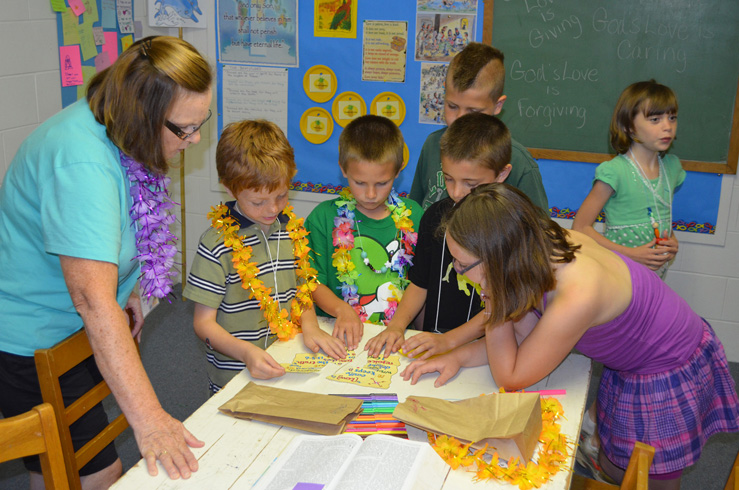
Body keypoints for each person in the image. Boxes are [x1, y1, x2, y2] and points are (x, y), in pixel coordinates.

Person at [402, 183, 739, 490]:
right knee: (613, 460)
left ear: (499, 257)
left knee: (643, 477)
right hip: (635, 357)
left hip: (666, 367)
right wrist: (457, 355)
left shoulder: (577, 293)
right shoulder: (537, 246)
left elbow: (512, 375)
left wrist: (495, 299)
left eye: (463, 266)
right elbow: (522, 340)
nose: (460, 274)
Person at [0, 36, 212, 487]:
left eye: (201, 122)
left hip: (75, 325)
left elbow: (123, 221)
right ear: (143, 115)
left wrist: (129, 289)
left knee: (86, 467)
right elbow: (92, 302)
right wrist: (152, 420)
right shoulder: (81, 163)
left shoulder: (121, 125)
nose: (194, 140)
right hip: (30, 332)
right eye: (183, 129)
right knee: (85, 474)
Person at [183, 120, 346, 394]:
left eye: (281, 196)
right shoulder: (216, 245)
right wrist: (245, 352)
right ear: (230, 188)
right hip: (236, 375)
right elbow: (203, 324)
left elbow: (301, 288)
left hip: (287, 360)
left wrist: (310, 326)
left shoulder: (291, 231)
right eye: (258, 202)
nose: (272, 209)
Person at [365, 112, 511, 359]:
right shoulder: (434, 216)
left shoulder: (510, 229)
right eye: (448, 178)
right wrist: (397, 326)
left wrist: (450, 341)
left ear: (501, 176)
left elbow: (504, 307)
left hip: (485, 351)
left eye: (471, 184)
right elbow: (419, 283)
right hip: (436, 341)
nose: (456, 193)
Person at [305, 115, 423, 350]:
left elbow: (420, 284)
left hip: (396, 339)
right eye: (360, 182)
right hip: (337, 337)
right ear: (343, 169)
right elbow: (310, 281)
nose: (370, 194)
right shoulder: (323, 217)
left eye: (381, 183)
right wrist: (341, 309)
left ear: (398, 171)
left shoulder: (414, 215)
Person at [409, 42, 548, 212]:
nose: (459, 119)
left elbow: (540, 233)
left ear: (498, 105)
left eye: (473, 111)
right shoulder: (433, 144)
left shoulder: (519, 163)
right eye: (452, 106)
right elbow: (414, 210)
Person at [573, 80, 682, 279]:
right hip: (618, 274)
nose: (667, 126)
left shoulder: (672, 168)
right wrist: (632, 254)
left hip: (655, 279)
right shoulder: (615, 171)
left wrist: (672, 241)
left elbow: (658, 215)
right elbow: (580, 228)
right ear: (629, 127)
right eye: (655, 119)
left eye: (672, 118)